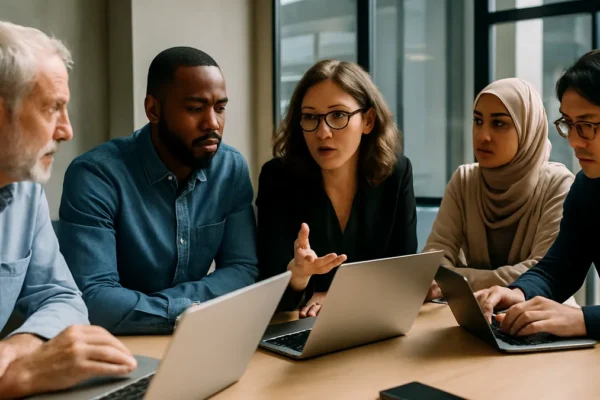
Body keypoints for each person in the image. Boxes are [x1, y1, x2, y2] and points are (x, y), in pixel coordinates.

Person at [57, 47, 259, 334]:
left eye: (220, 107)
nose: (212, 123)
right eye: (195, 108)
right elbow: (94, 299)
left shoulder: (231, 168)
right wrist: (185, 312)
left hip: (196, 337)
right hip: (119, 347)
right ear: (153, 110)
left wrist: (161, 310)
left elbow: (242, 270)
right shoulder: (95, 175)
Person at [0, 21, 136, 398]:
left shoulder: (26, 192)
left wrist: (15, 349)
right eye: (52, 109)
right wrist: (17, 378)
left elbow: (62, 298)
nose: (67, 130)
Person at [256, 59, 417, 318]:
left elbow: (405, 275)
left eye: (338, 115)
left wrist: (339, 297)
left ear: (368, 120)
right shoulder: (278, 178)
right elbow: (270, 291)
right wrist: (298, 277)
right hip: (298, 324)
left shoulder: (395, 174)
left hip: (374, 320)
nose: (323, 132)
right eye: (310, 117)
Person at [475, 50, 600, 339]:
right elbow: (559, 268)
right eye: (569, 124)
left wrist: (583, 319)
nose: (573, 141)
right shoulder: (586, 188)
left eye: (587, 125)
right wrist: (517, 292)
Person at [423, 78, 574, 300]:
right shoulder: (464, 180)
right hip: (469, 312)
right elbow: (432, 263)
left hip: (541, 316)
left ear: (527, 129)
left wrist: (458, 278)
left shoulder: (559, 184)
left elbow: (542, 273)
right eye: (477, 121)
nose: (483, 136)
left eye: (499, 124)